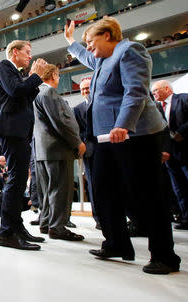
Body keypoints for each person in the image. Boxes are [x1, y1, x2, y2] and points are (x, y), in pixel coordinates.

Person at [65, 17, 180, 274]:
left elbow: (136, 91)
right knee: (104, 191)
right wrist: (71, 42)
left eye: (91, 42)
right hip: (108, 137)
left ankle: (165, 255)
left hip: (134, 134)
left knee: (147, 194)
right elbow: (87, 57)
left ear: (108, 35)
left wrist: (124, 124)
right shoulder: (103, 59)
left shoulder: (130, 51)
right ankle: (116, 242)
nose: (90, 48)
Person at [0, 39, 46, 250]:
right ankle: (7, 233)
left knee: (20, 178)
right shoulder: (4, 66)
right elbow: (16, 91)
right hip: (11, 130)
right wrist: (35, 76)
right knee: (16, 180)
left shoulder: (16, 72)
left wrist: (35, 79)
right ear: (15, 52)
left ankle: (17, 227)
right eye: (27, 52)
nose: (30, 56)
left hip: (19, 131)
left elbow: (24, 94)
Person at [33, 64, 85, 241]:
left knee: (49, 190)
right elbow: (61, 122)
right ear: (54, 75)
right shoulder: (49, 93)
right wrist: (77, 141)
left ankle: (47, 222)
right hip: (57, 148)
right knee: (61, 189)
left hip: (42, 150)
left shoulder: (35, 93)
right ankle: (58, 227)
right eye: (58, 75)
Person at [151, 80, 188, 229]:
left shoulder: (183, 99)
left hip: (185, 149)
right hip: (170, 153)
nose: (153, 94)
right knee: (178, 186)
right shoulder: (157, 108)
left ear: (167, 88)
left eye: (156, 91)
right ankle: (186, 217)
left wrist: (181, 133)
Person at [73, 78, 101, 229]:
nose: (85, 91)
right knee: (94, 185)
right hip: (90, 152)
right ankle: (99, 219)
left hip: (108, 148)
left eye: (87, 88)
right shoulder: (77, 109)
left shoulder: (103, 103)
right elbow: (76, 131)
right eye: (82, 89)